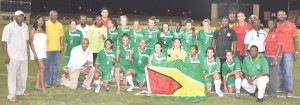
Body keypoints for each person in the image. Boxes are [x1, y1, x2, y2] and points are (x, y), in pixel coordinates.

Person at [2, 10, 30, 102]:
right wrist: (6, 55)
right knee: (12, 76)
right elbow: (4, 41)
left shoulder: (25, 27)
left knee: (23, 75)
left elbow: (26, 40)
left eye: (22, 16)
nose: (20, 17)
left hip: (23, 56)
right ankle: (11, 95)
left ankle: (20, 91)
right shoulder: (8, 27)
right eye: (18, 16)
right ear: (14, 17)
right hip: (13, 56)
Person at [276, 10, 298, 98]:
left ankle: (289, 91)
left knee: (288, 72)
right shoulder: (275, 25)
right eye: (279, 15)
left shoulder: (291, 25)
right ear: (277, 17)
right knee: (280, 72)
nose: (281, 16)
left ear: (286, 16)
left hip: (288, 52)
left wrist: (296, 51)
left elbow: (295, 39)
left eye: (282, 14)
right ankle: (282, 87)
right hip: (278, 52)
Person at [45, 10, 64, 88]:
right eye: (53, 15)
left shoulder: (60, 25)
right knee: (47, 66)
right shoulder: (45, 24)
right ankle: (47, 82)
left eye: (56, 15)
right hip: (47, 49)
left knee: (55, 66)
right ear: (50, 16)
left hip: (57, 49)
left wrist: (62, 46)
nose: (54, 17)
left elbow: (61, 37)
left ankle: (54, 82)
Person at [29, 15, 47, 94]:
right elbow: (30, 42)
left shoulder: (43, 30)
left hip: (42, 52)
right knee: (42, 68)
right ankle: (43, 87)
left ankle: (37, 85)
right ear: (36, 21)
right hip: (36, 52)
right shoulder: (33, 29)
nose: (40, 22)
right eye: (39, 20)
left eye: (42, 20)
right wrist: (34, 53)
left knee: (39, 68)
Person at [265, 19, 283, 98]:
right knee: (268, 75)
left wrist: (275, 58)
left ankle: (273, 94)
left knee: (272, 76)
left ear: (275, 24)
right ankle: (270, 90)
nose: (270, 24)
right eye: (269, 23)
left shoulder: (278, 32)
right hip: (268, 56)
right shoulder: (269, 32)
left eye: (272, 23)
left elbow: (280, 46)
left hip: (274, 57)